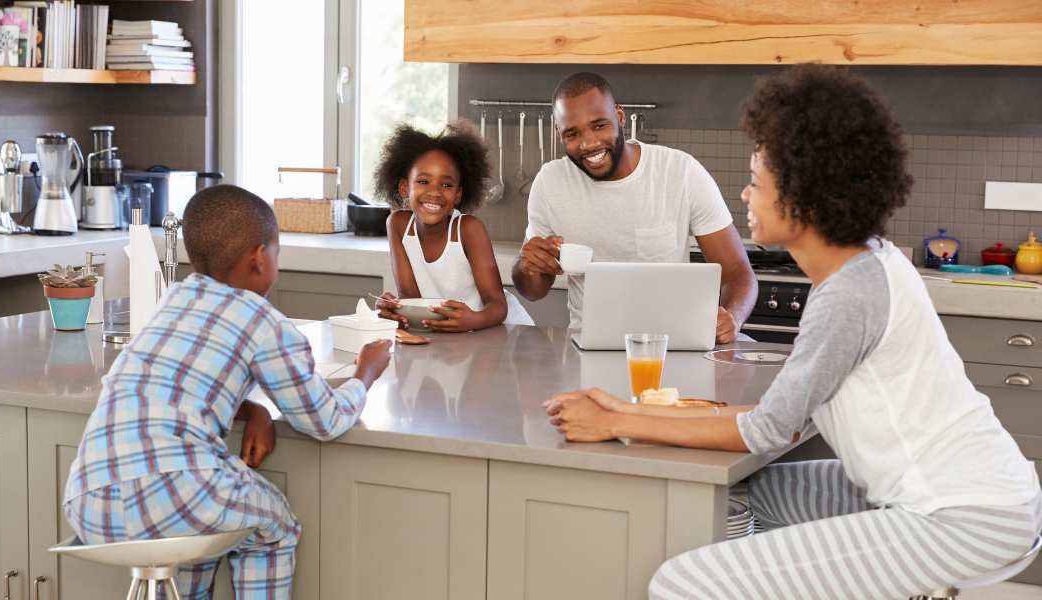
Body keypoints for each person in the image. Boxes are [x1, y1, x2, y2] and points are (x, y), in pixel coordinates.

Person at [545, 65, 1041, 599]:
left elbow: (763, 431)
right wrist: (620, 411)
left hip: (965, 516)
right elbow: (773, 417)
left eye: (757, 182)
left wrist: (618, 420)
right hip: (958, 494)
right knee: (742, 492)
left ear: (803, 196)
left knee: (681, 584)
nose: (744, 194)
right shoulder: (867, 264)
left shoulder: (851, 293)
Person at [62, 185, 392, 600]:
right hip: (171, 489)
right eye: (277, 254)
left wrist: (252, 410)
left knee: (193, 537)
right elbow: (324, 420)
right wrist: (365, 373)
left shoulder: (173, 301)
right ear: (259, 257)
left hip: (88, 500)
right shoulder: (263, 322)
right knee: (274, 528)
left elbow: (178, 386)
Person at [513, 72, 756, 342]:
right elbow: (533, 290)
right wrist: (528, 266)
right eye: (572, 133)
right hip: (587, 346)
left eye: (599, 125)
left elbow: (737, 272)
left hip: (670, 346)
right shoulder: (550, 182)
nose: (589, 143)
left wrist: (732, 317)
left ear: (619, 116)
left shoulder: (680, 171)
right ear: (559, 134)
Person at [373, 123, 533, 331]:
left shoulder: (468, 229)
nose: (435, 192)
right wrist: (395, 309)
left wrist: (473, 320)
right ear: (404, 187)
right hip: (448, 336)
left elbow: (498, 306)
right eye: (423, 181)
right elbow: (411, 298)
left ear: (458, 194)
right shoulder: (397, 225)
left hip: (500, 331)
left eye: (446, 185)